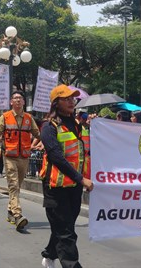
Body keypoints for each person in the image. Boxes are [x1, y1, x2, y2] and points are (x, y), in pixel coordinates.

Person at [40, 84, 94, 268]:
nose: (72, 101)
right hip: (55, 187)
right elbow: (56, 157)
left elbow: (85, 153)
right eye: (67, 98)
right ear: (56, 103)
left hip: (74, 187)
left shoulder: (79, 125)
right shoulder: (49, 127)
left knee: (64, 227)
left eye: (73, 98)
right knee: (66, 232)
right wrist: (81, 178)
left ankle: (49, 254)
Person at [0, 90, 40, 231]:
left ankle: (10, 210)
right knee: (13, 185)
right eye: (15, 98)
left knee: (18, 185)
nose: (18, 100)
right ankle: (17, 214)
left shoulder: (28, 117)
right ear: (11, 102)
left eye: (20, 98)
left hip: (24, 156)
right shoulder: (5, 117)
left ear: (24, 101)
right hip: (10, 156)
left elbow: (37, 133)